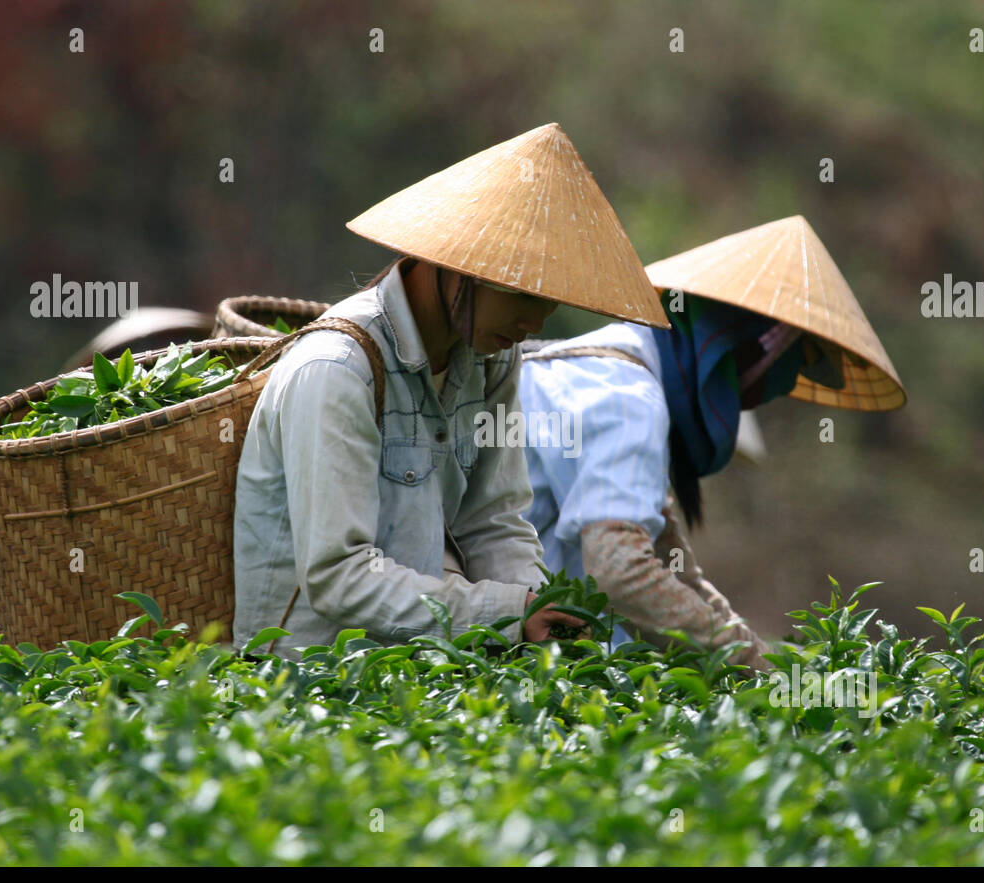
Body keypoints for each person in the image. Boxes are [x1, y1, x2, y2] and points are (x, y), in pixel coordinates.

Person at [232, 123, 669, 658]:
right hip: (312, 680)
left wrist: (541, 612)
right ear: (460, 266)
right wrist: (506, 615)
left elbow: (495, 520)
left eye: (550, 303)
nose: (534, 323)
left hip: (424, 673)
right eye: (523, 295)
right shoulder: (338, 370)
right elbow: (337, 575)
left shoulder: (492, 362)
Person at [518, 215, 908, 669]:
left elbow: (672, 566)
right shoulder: (629, 397)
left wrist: (764, 665)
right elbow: (622, 574)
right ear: (743, 349)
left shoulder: (621, 368)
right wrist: (749, 668)